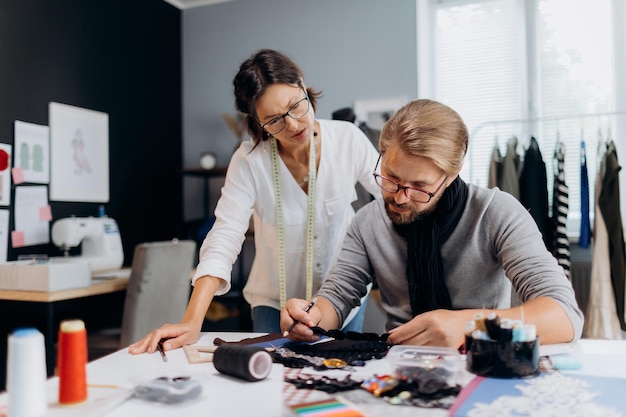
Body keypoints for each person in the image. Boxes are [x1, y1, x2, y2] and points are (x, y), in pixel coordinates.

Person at [128, 49, 379, 355]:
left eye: (295, 107)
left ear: (302, 85)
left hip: (342, 299)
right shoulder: (248, 161)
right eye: (274, 120)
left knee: (339, 382)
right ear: (257, 122)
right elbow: (226, 234)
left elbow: (392, 199)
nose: (292, 125)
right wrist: (192, 321)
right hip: (272, 303)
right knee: (268, 388)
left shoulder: (348, 139)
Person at [281, 98, 584, 348]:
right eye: (391, 179)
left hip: (482, 361)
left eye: (419, 186)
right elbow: (336, 297)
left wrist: (472, 325)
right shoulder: (367, 223)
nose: (400, 197)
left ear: (452, 174)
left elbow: (565, 316)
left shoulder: (496, 213)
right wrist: (311, 317)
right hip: (396, 369)